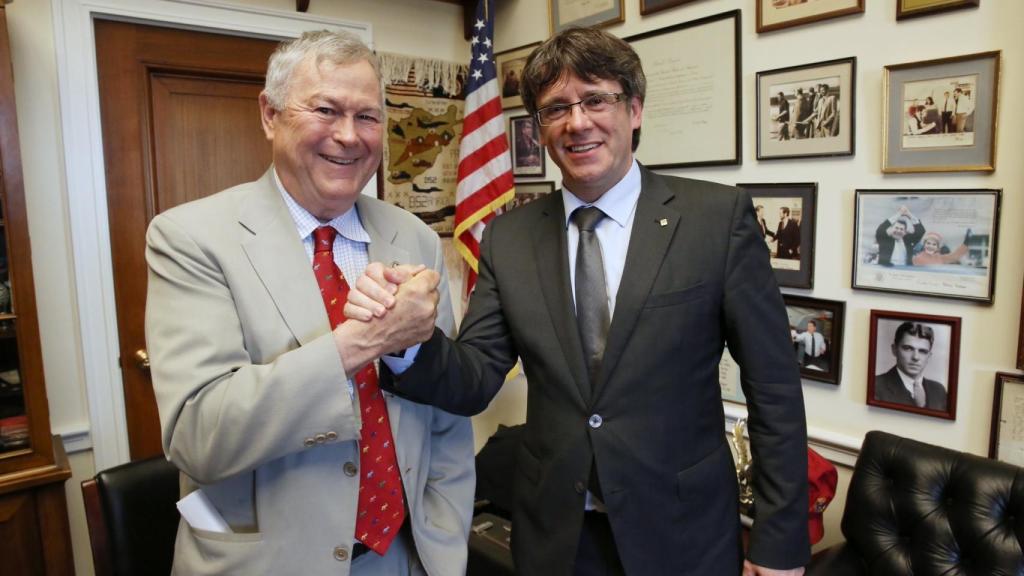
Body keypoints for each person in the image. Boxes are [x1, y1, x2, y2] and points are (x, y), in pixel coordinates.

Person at [349, 27, 809, 576]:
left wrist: (779, 542)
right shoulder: (510, 237)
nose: (577, 122)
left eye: (596, 100)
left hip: (682, 534)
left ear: (634, 110)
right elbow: (475, 376)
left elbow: (774, 387)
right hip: (557, 538)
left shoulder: (716, 219)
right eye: (556, 109)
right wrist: (404, 339)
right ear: (540, 128)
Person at [144, 30, 475, 575]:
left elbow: (443, 418)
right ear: (270, 115)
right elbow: (199, 436)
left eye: (367, 117)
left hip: (406, 555)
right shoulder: (191, 239)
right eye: (326, 110)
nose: (348, 136)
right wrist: (365, 341)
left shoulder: (414, 238)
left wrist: (442, 541)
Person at [874, 322, 947, 411]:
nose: (915, 357)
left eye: (922, 351)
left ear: (929, 356)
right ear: (894, 350)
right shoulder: (875, 386)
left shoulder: (939, 390)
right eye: (908, 348)